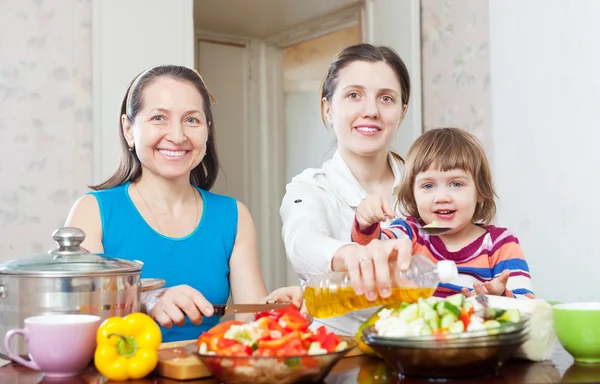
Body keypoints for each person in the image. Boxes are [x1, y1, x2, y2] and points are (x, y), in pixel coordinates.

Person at [65, 65, 306, 342]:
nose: (178, 136)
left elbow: (250, 322)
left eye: (192, 120)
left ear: (207, 131)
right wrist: (146, 299)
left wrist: (274, 309)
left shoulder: (233, 216)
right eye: (159, 118)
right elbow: (78, 321)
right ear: (129, 129)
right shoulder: (92, 212)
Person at [280, 43, 415, 335]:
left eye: (386, 98)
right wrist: (352, 254)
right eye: (354, 95)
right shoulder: (310, 188)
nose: (371, 111)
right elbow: (302, 241)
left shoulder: (424, 188)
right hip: (338, 359)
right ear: (328, 108)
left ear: (402, 112)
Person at [352, 127, 535, 299]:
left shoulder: (501, 244)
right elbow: (372, 253)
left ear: (480, 191)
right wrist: (365, 223)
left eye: (456, 184)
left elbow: (527, 303)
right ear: (412, 194)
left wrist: (500, 298)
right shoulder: (409, 232)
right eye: (428, 186)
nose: (441, 197)